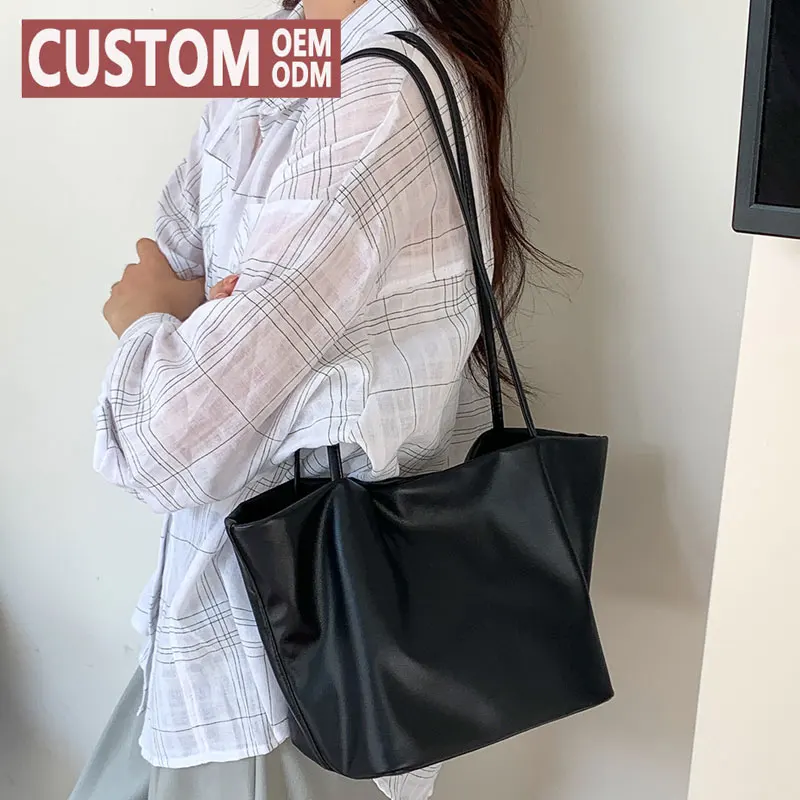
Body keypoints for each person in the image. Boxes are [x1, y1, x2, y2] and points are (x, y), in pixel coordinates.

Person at [70, 0, 559, 798]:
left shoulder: (378, 94)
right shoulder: (276, 51)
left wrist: (164, 321)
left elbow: (171, 437)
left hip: (288, 667)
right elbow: (173, 254)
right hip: (216, 634)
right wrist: (195, 324)